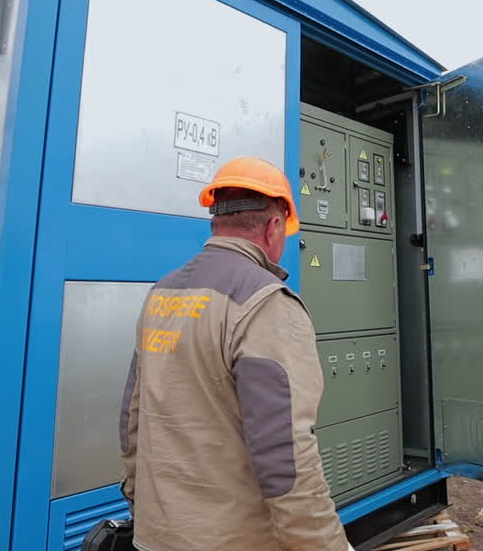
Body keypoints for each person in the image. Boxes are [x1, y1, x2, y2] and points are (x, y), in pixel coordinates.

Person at [119, 157, 353, 551]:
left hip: (156, 536)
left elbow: (132, 420)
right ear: (274, 227)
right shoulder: (264, 303)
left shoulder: (162, 293)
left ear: (216, 221)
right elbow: (285, 453)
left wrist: (142, 507)